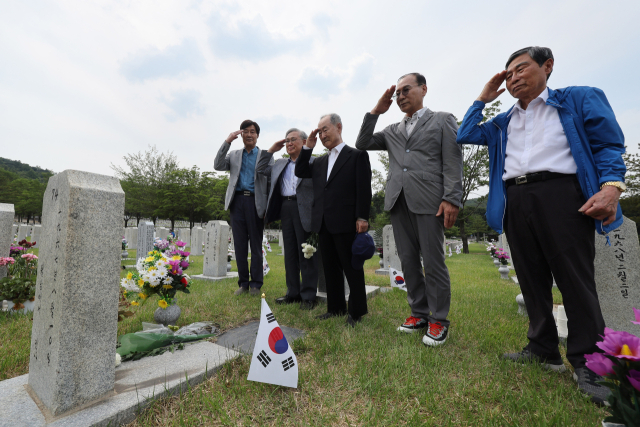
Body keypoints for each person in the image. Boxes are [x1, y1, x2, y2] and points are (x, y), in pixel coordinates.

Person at [457, 46, 626, 404]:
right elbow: (464, 134)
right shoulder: (503, 120)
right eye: (508, 74)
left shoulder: (577, 99)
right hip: (516, 199)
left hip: (562, 195)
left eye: (521, 69)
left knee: (574, 280)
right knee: (531, 279)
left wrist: (611, 187)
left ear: (547, 66)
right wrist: (483, 97)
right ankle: (542, 348)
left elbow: (608, 144)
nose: (515, 77)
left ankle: (589, 364)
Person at [355, 72, 463, 346]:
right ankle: (418, 313)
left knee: (433, 261)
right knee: (408, 261)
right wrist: (376, 112)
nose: (401, 96)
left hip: (430, 200)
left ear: (423, 89)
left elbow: (452, 161)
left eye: (406, 90)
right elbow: (363, 143)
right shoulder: (392, 130)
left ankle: (439, 320)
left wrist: (452, 197)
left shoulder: (442, 120)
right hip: (397, 200)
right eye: (397, 93)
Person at [295, 114, 372, 327]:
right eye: (319, 132)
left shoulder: (356, 156)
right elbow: (300, 171)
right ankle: (336, 308)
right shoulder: (320, 161)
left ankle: (356, 312)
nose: (321, 135)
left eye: (325, 129)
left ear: (339, 127)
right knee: (329, 268)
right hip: (323, 222)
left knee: (352, 267)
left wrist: (362, 216)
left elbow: (364, 189)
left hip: (347, 221)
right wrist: (307, 148)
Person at [256, 128, 319, 310]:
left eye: (293, 139)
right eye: (287, 140)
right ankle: (293, 293)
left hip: (305, 209)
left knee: (307, 252)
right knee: (290, 253)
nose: (289, 143)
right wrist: (271, 151)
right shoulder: (280, 163)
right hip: (286, 207)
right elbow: (260, 169)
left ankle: (308, 296)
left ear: (305, 142)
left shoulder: (314, 162)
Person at [214, 120, 273, 295]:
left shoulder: (265, 155)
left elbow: (270, 183)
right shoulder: (233, 154)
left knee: (255, 245)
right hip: (237, 202)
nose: (249, 134)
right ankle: (243, 284)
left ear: (257, 135)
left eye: (252, 131)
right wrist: (227, 141)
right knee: (239, 245)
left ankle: (256, 284)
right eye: (245, 131)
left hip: (256, 202)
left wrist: (267, 208)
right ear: (241, 135)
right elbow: (217, 165)